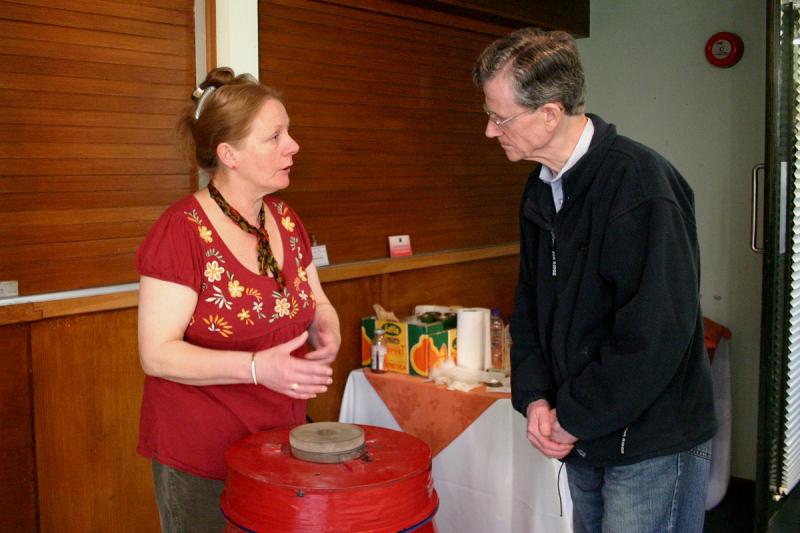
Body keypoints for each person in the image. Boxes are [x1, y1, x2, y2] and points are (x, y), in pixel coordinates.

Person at [473, 29, 716, 532]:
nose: (490, 132)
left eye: (500, 118)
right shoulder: (541, 187)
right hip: (584, 432)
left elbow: (655, 335)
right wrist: (537, 397)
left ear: (549, 112)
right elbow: (533, 305)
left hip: (649, 442)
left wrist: (572, 415)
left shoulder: (641, 184)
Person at [136, 67, 341, 532]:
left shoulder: (286, 220)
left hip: (283, 444)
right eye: (274, 136)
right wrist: (256, 367)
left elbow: (318, 300)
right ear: (228, 154)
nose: (293, 146)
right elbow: (156, 353)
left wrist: (325, 326)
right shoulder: (181, 231)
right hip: (203, 456)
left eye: (287, 132)